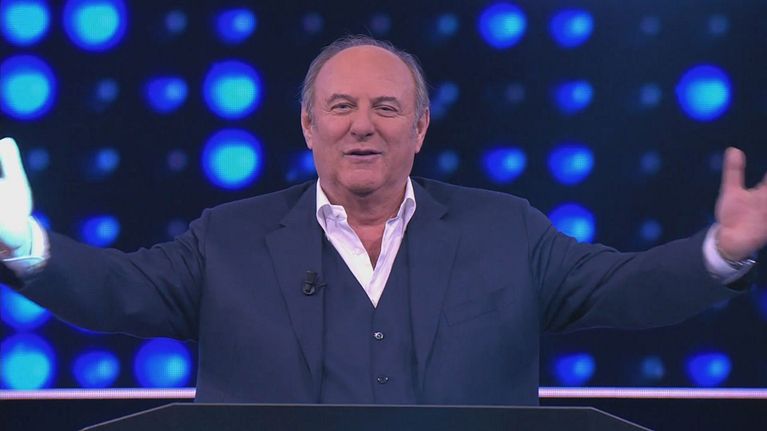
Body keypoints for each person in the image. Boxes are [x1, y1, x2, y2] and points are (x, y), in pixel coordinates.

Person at [1, 35, 765, 405]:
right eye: (340, 106)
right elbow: (117, 289)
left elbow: (626, 288)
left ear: (419, 127)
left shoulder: (506, 231)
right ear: (308, 127)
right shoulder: (227, 238)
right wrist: (23, 242)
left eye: (386, 107)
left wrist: (720, 250)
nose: (361, 124)